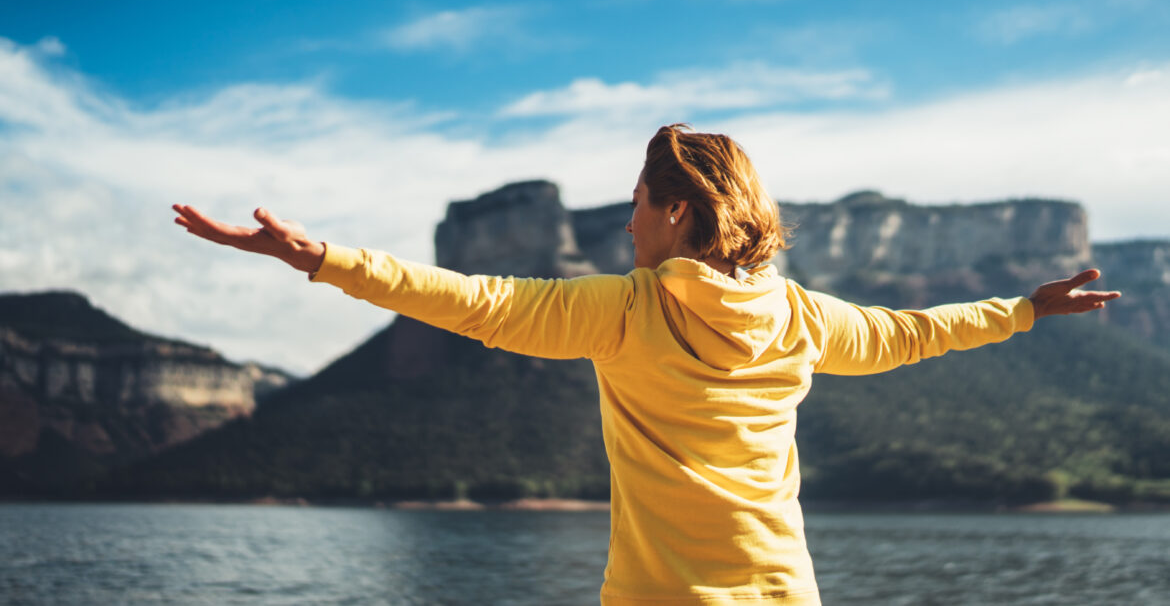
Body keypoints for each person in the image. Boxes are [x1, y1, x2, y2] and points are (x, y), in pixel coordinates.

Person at [173, 124, 1120, 606]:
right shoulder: (800, 316)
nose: (625, 221)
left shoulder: (623, 311)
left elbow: (470, 300)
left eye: (636, 202)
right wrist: (1027, 308)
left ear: (675, 213)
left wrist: (318, 257)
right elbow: (917, 332)